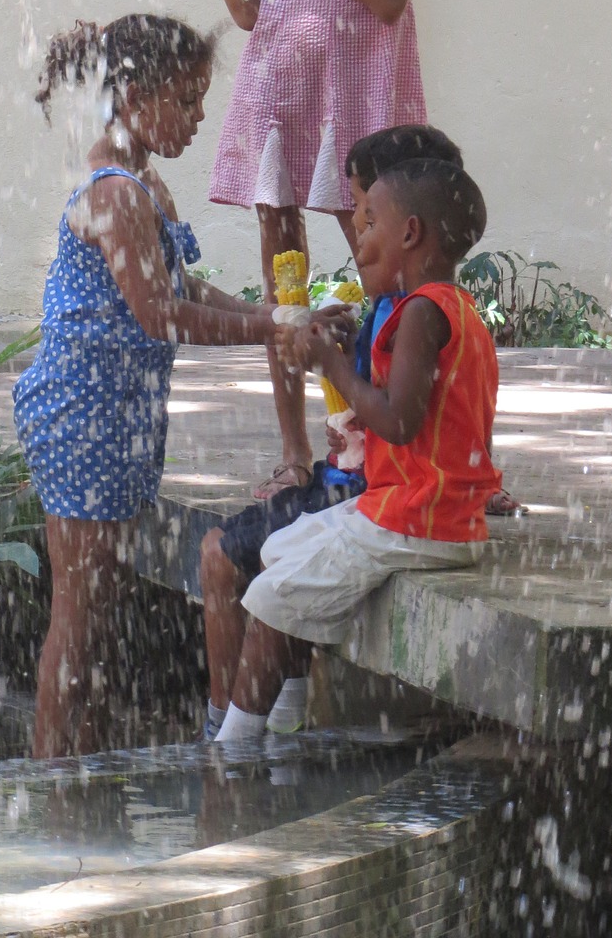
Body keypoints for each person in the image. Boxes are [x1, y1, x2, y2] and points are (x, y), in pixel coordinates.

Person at [161, 0, 426, 499]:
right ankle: (292, 449)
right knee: (289, 289)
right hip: (282, 106)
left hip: (360, 117)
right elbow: (249, 11)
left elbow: (387, 1)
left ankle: (415, 435)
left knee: (393, 282)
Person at [13, 14, 279, 759]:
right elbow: (160, 315)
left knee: (102, 607)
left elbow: (185, 286)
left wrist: (273, 316)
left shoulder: (146, 183)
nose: (199, 118)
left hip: (119, 418)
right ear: (133, 94)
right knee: (77, 613)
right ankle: (51, 788)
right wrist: (268, 333)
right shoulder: (118, 194)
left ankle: (87, 774)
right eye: (187, 101)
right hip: (82, 418)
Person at [212, 158, 502, 744]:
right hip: (423, 513)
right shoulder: (450, 310)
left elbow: (396, 421)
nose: (360, 241)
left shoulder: (424, 312)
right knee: (278, 550)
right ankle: (286, 734)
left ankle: (232, 757)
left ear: (410, 234)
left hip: (418, 519)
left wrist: (333, 366)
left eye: (369, 223)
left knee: (267, 594)